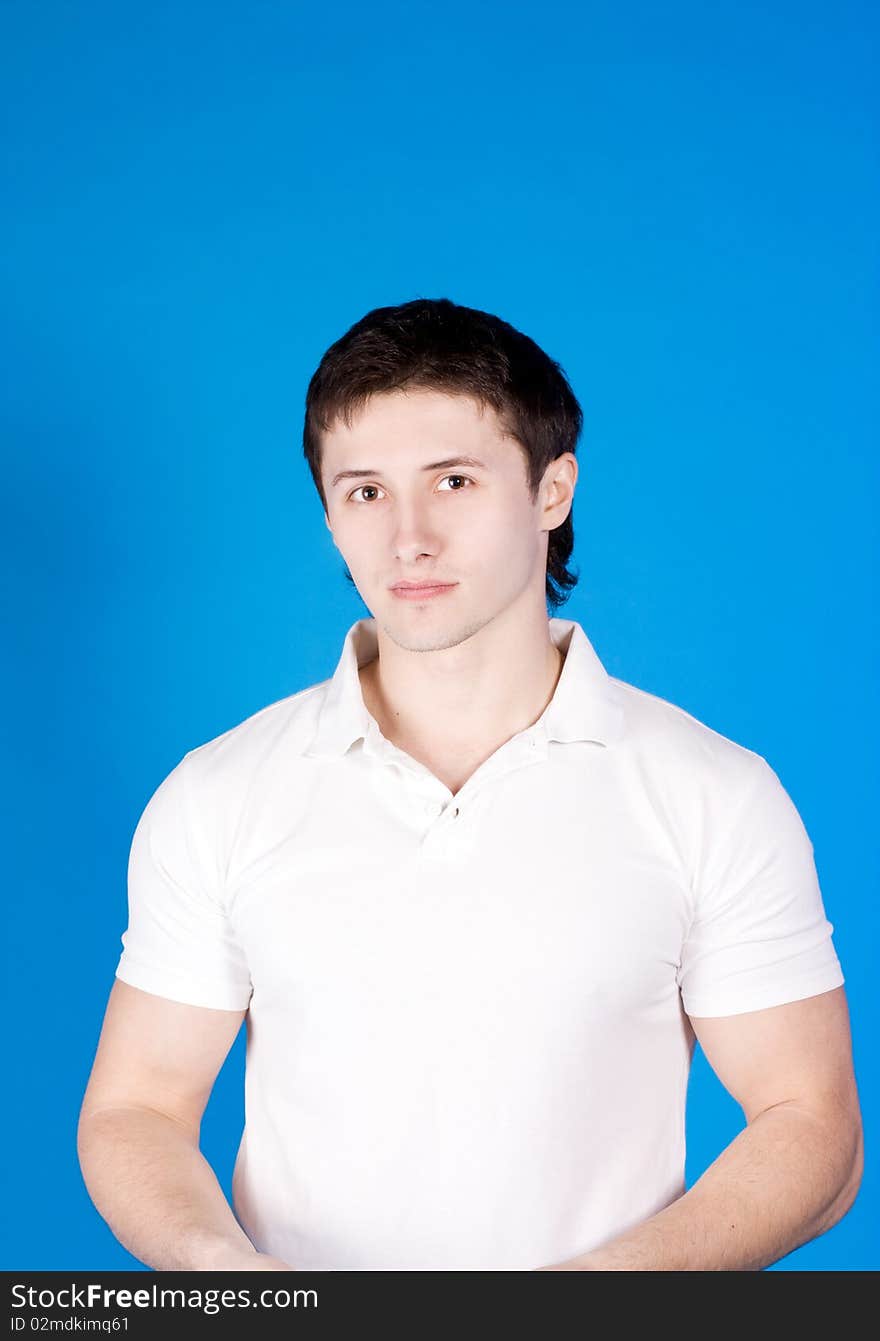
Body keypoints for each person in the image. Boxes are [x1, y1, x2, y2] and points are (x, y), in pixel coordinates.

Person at [77, 298, 863, 1273]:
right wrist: (233, 1286)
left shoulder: (712, 794)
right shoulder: (220, 793)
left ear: (551, 490)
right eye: (364, 491)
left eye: (453, 481)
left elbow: (810, 1124)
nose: (408, 537)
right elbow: (137, 1107)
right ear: (328, 512)